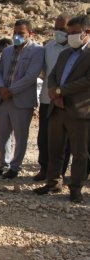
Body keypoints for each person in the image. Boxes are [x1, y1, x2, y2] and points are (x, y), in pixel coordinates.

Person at [34, 15, 90, 203]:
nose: (70, 36)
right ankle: (53, 182)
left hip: (79, 111)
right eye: (69, 32)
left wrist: (60, 91)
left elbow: (87, 81)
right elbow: (52, 75)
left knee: (79, 152)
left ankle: (76, 188)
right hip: (57, 108)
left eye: (74, 33)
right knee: (55, 148)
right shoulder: (65, 54)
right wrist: (53, 92)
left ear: (87, 32)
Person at [0, 19, 45, 179]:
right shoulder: (7, 51)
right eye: (15, 32)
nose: (16, 36)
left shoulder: (37, 51)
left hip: (21, 100)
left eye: (21, 33)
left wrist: (11, 90)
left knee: (20, 136)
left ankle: (15, 167)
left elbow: (31, 76)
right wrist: (1, 88)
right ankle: (4, 163)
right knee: (3, 135)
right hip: (4, 98)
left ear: (30, 33)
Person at [34, 14, 71, 181]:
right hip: (47, 99)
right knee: (44, 137)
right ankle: (44, 167)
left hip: (67, 101)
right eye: (56, 29)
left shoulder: (78, 50)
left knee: (64, 140)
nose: (58, 32)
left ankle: (59, 173)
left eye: (62, 29)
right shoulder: (48, 47)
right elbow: (45, 73)